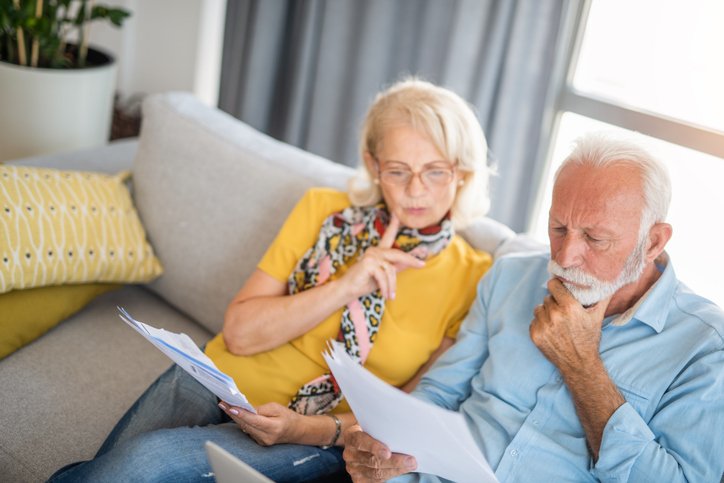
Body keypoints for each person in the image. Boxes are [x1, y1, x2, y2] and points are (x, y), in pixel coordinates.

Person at [48, 78, 495, 482]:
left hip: (312, 435)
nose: (416, 189)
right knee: (104, 474)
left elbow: (405, 417)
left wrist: (304, 428)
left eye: (435, 171)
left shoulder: (473, 277)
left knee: (141, 465)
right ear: (373, 165)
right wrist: (346, 286)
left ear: (462, 174)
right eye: (398, 170)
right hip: (218, 375)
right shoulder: (323, 210)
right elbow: (240, 334)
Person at [343, 133, 724, 483]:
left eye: (594, 238)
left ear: (653, 241)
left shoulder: (704, 348)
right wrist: (387, 457)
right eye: (559, 228)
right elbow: (440, 393)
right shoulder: (509, 277)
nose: (566, 256)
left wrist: (582, 368)